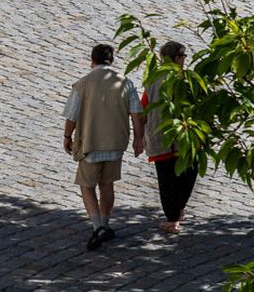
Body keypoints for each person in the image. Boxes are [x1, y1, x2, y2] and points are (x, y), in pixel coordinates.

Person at [64, 43, 143, 251]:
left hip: (91, 143)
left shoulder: (83, 84)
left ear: (92, 61)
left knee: (87, 185)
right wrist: (138, 139)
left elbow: (71, 115)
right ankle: (106, 223)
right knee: (107, 184)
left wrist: (67, 136)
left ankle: (98, 226)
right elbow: (136, 113)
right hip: (116, 144)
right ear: (112, 61)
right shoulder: (125, 83)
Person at [144, 41, 195, 234]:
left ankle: (174, 215)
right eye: (183, 57)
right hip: (185, 138)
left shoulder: (153, 79)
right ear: (177, 58)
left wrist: (140, 137)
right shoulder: (186, 79)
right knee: (186, 175)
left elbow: (143, 109)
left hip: (161, 139)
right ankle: (174, 217)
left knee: (167, 179)